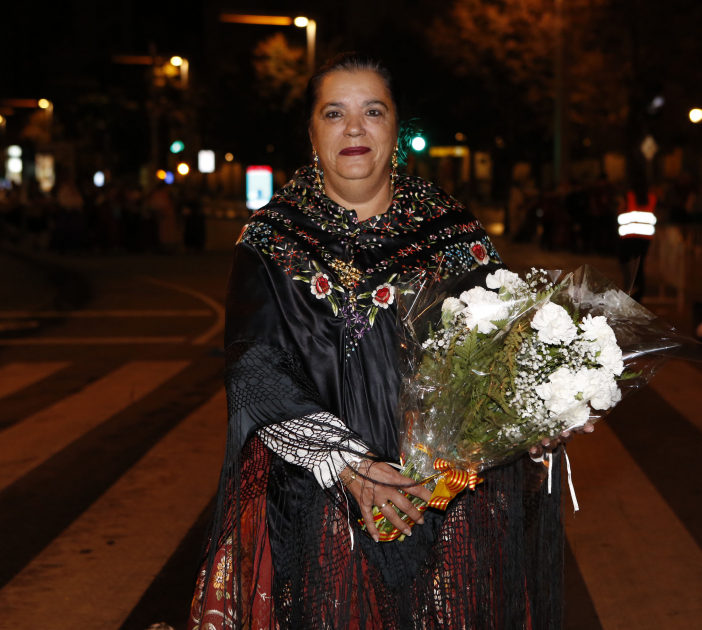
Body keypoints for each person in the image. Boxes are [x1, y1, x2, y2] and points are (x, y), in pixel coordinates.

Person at [188, 53, 585, 630]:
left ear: (396, 128)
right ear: (311, 131)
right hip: (318, 512)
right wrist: (351, 466)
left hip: (447, 512)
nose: (354, 128)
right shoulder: (271, 240)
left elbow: (503, 354)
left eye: (373, 111)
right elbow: (256, 369)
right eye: (334, 113)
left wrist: (547, 403)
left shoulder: (453, 233)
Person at [616, 167, 656, 303]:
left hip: (628, 238)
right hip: (644, 239)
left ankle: (629, 289)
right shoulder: (651, 197)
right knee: (639, 267)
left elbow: (620, 210)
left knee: (626, 265)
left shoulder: (629, 196)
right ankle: (638, 294)